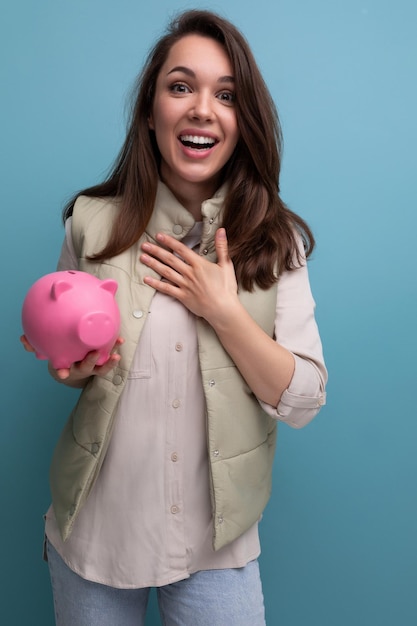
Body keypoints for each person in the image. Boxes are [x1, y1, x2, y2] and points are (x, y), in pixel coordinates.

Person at [21, 9, 327, 626]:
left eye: (227, 94)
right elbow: (79, 371)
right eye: (180, 86)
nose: (201, 109)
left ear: (245, 122)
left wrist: (223, 310)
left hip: (218, 542)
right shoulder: (90, 222)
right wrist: (68, 367)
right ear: (151, 108)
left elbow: (305, 400)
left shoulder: (277, 241)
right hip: (95, 534)